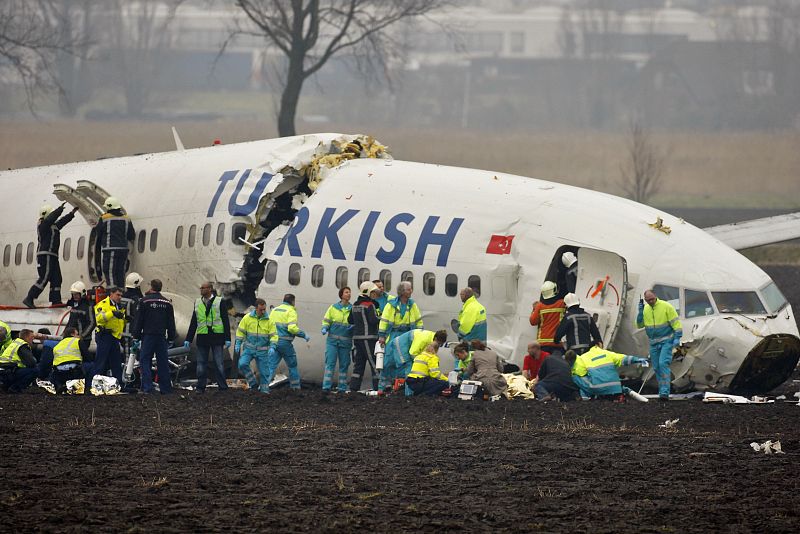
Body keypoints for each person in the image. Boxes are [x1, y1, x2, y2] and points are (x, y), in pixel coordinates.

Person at [23, 203, 78, 308]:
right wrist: (59, 210)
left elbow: (62, 222)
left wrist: (72, 213)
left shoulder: (54, 226)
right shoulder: (43, 225)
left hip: (53, 256)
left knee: (57, 278)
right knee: (44, 277)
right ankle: (30, 298)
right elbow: (51, 219)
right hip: (45, 255)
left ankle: (56, 300)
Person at [184, 281, 231, 393]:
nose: (201, 290)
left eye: (203, 288)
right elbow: (194, 322)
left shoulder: (220, 302)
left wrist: (227, 337)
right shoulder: (197, 302)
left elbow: (225, 320)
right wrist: (188, 339)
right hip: (203, 337)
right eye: (201, 288)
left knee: (219, 363)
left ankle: (222, 387)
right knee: (201, 364)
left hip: (216, 337)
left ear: (210, 289)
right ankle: (200, 387)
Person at [636, 289, 682, 401]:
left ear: (655, 296)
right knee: (656, 367)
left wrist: (677, 337)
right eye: (648, 300)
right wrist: (640, 312)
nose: (651, 301)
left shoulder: (666, 306)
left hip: (667, 341)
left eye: (652, 299)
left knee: (663, 364)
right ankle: (662, 390)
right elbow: (639, 325)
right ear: (645, 300)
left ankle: (664, 393)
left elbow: (676, 323)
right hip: (653, 343)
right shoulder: (646, 309)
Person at [133, 279, 177, 394]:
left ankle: (147, 388)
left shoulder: (144, 301)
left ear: (151, 286)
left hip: (148, 336)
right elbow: (171, 322)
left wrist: (136, 336)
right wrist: (171, 337)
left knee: (145, 361)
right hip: (161, 336)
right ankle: (166, 388)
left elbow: (139, 320)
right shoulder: (167, 303)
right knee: (162, 362)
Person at [265, 294, 310, 393]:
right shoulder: (291, 311)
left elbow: (269, 325)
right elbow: (292, 328)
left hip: (274, 342)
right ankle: (295, 388)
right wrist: (304, 335)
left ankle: (264, 387)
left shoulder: (275, 310)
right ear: (293, 301)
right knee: (292, 365)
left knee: (271, 366)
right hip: (285, 343)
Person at [571, 346, 649, 400]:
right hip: (615, 387)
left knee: (575, 376)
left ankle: (585, 399)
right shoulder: (607, 354)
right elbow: (623, 359)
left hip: (598, 388)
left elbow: (579, 373)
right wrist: (637, 359)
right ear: (598, 345)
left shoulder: (583, 358)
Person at [87, 286, 126, 393]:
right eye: (118, 295)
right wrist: (112, 313)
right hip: (104, 336)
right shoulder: (103, 304)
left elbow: (118, 322)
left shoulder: (118, 306)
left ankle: (118, 386)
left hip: (114, 337)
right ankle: (92, 386)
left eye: (121, 295)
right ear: (111, 294)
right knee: (100, 362)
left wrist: (125, 319)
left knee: (116, 363)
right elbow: (99, 318)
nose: (120, 297)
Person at [381, 329, 447, 390]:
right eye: (439, 343)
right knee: (408, 368)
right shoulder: (424, 339)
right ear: (436, 338)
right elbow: (413, 352)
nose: (439, 345)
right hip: (401, 345)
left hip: (406, 345)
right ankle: (408, 393)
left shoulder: (432, 339)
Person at [235, 298, 275, 394]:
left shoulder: (269, 320)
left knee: (264, 372)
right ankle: (253, 383)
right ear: (256, 309)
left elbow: (274, 335)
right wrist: (238, 343)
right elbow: (241, 331)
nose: (263, 311)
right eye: (261, 309)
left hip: (263, 350)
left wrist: (273, 346)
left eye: (264, 309)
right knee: (242, 364)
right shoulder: (247, 318)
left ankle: (264, 390)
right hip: (249, 349)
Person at [94, 196, 135, 289]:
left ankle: (112, 292)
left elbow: (98, 233)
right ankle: (121, 292)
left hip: (110, 249)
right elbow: (131, 235)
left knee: (110, 271)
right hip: (124, 250)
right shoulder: (126, 219)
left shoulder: (104, 218)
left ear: (108, 207)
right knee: (121, 272)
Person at [348, 281, 381, 392]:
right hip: (369, 338)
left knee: (358, 365)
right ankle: (377, 388)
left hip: (357, 338)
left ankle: (353, 388)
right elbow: (373, 320)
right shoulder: (369, 305)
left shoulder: (355, 305)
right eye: (372, 292)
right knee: (374, 363)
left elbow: (350, 320)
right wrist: (381, 317)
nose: (373, 295)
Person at [321, 287, 353, 393]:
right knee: (330, 363)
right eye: (346, 292)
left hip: (346, 342)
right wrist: (325, 327)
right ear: (341, 294)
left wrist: (353, 327)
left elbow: (355, 322)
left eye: (349, 292)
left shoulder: (352, 309)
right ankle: (326, 387)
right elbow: (327, 320)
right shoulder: (333, 308)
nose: (348, 294)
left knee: (344, 364)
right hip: (332, 341)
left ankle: (342, 388)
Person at [529, 281, 566, 358]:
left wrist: (534, 309)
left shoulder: (539, 306)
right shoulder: (562, 304)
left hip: (543, 343)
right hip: (557, 343)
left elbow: (533, 321)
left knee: (544, 366)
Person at [64, 281, 95, 363]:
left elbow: (92, 323)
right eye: (73, 294)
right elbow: (70, 321)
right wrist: (65, 333)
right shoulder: (74, 306)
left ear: (82, 294)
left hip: (83, 340)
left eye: (77, 294)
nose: (75, 296)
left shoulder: (88, 307)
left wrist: (81, 336)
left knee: (81, 359)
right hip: (72, 338)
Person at [50, 327, 84, 395]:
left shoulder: (57, 345)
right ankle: (85, 387)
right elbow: (87, 356)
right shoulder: (77, 341)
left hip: (59, 372)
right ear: (72, 334)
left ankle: (59, 385)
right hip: (74, 371)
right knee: (90, 365)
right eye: (77, 334)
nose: (78, 336)